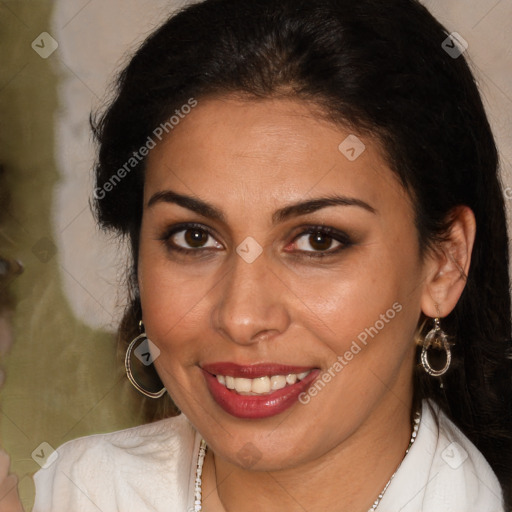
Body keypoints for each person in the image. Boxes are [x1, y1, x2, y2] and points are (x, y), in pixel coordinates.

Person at [31, 0, 512, 510]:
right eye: (194, 238)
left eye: (318, 240)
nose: (241, 317)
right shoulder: (77, 488)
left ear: (444, 263)